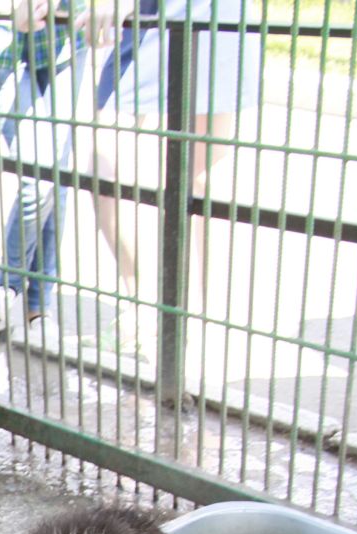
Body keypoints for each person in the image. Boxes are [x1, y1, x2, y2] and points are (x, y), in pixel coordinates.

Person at [79, 0, 264, 356]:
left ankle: (199, 323)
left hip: (212, 17)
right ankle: (143, 308)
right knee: (105, 169)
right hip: (145, 19)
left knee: (204, 178)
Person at [0, 2, 94, 329]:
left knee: (57, 178)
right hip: (1, 42)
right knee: (40, 177)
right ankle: (9, 287)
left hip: (63, 38)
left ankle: (38, 306)